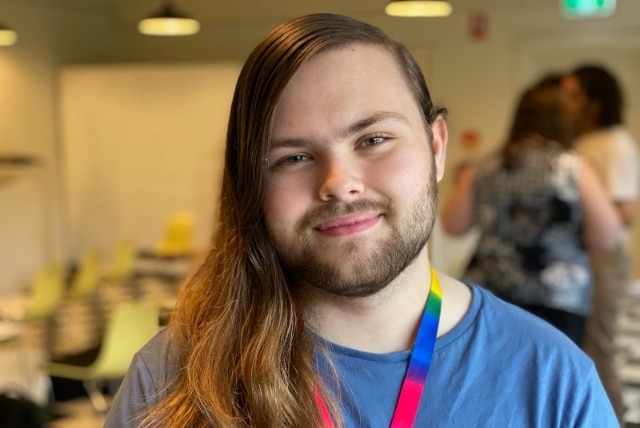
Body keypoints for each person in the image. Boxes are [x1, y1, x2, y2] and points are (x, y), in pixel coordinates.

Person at [105, 14, 618, 427]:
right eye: (292, 157)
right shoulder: (174, 378)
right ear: (252, 186)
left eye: (373, 140)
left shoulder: (553, 379)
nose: (338, 182)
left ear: (437, 147)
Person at [440, 78, 622, 346]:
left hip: (492, 292)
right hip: (558, 296)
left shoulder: (485, 165)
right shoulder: (573, 167)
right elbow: (606, 237)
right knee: (550, 379)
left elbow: (453, 225)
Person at [562, 64, 640, 423]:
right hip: (576, 258)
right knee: (575, 348)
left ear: (595, 101)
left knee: (600, 349)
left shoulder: (615, 143)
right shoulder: (579, 140)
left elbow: (624, 213)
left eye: (575, 94)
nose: (567, 101)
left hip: (603, 259)